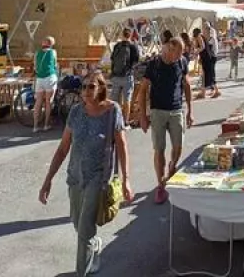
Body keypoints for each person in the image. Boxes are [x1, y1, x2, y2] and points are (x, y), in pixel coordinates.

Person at [39, 71, 134, 277]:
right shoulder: (75, 112)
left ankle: (81, 271)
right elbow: (63, 148)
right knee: (78, 223)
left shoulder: (112, 111)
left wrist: (126, 180)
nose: (86, 91)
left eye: (91, 86)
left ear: (101, 88)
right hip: (75, 176)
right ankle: (95, 244)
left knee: (83, 231)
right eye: (83, 87)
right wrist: (48, 180)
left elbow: (122, 147)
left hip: (97, 178)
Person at [139, 37, 194, 204]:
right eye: (177, 52)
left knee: (178, 147)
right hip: (158, 111)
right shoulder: (154, 64)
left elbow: (186, 85)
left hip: (177, 109)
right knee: (159, 149)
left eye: (181, 53)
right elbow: (142, 90)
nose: (179, 56)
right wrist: (142, 115)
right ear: (169, 48)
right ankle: (160, 184)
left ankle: (172, 166)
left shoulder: (182, 62)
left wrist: (190, 110)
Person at [110, 28, 140, 127]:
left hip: (116, 76)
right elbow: (136, 60)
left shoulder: (117, 46)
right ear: (130, 35)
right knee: (127, 99)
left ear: (122, 35)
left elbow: (112, 59)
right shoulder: (132, 46)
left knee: (115, 100)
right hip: (127, 76)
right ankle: (125, 121)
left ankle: (114, 119)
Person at [34, 36, 58, 133]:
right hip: (49, 78)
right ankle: (46, 125)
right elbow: (55, 64)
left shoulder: (37, 53)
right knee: (48, 102)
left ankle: (35, 126)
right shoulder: (53, 52)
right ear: (51, 44)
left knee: (38, 102)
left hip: (39, 78)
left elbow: (35, 66)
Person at [202, 22, 220, 98]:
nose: (204, 30)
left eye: (205, 28)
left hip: (211, 59)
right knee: (205, 75)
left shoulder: (212, 39)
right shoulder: (204, 38)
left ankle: (216, 91)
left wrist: (211, 57)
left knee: (210, 75)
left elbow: (215, 51)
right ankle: (203, 92)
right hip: (206, 59)